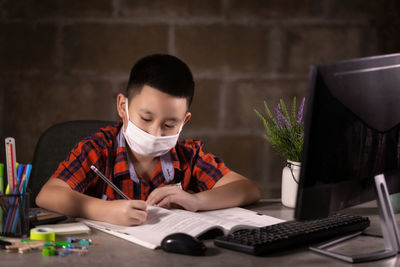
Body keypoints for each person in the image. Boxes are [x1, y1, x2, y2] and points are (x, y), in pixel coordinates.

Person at [36, 54, 261, 226]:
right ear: (123, 106)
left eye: (170, 125)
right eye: (146, 118)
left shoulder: (187, 156)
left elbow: (246, 188)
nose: (155, 133)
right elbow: (48, 195)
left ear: (185, 120)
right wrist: (104, 210)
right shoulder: (97, 149)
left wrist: (198, 200)